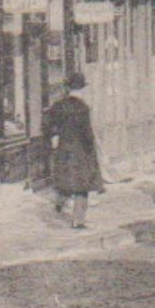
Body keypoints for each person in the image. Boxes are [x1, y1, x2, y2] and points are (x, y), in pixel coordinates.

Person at [44, 71, 105, 229]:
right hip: (80, 151)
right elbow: (87, 133)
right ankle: (78, 220)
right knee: (82, 185)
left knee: (65, 179)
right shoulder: (82, 108)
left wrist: (54, 137)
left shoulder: (58, 106)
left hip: (64, 149)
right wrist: (94, 150)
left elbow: (48, 126)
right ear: (82, 89)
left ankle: (60, 202)